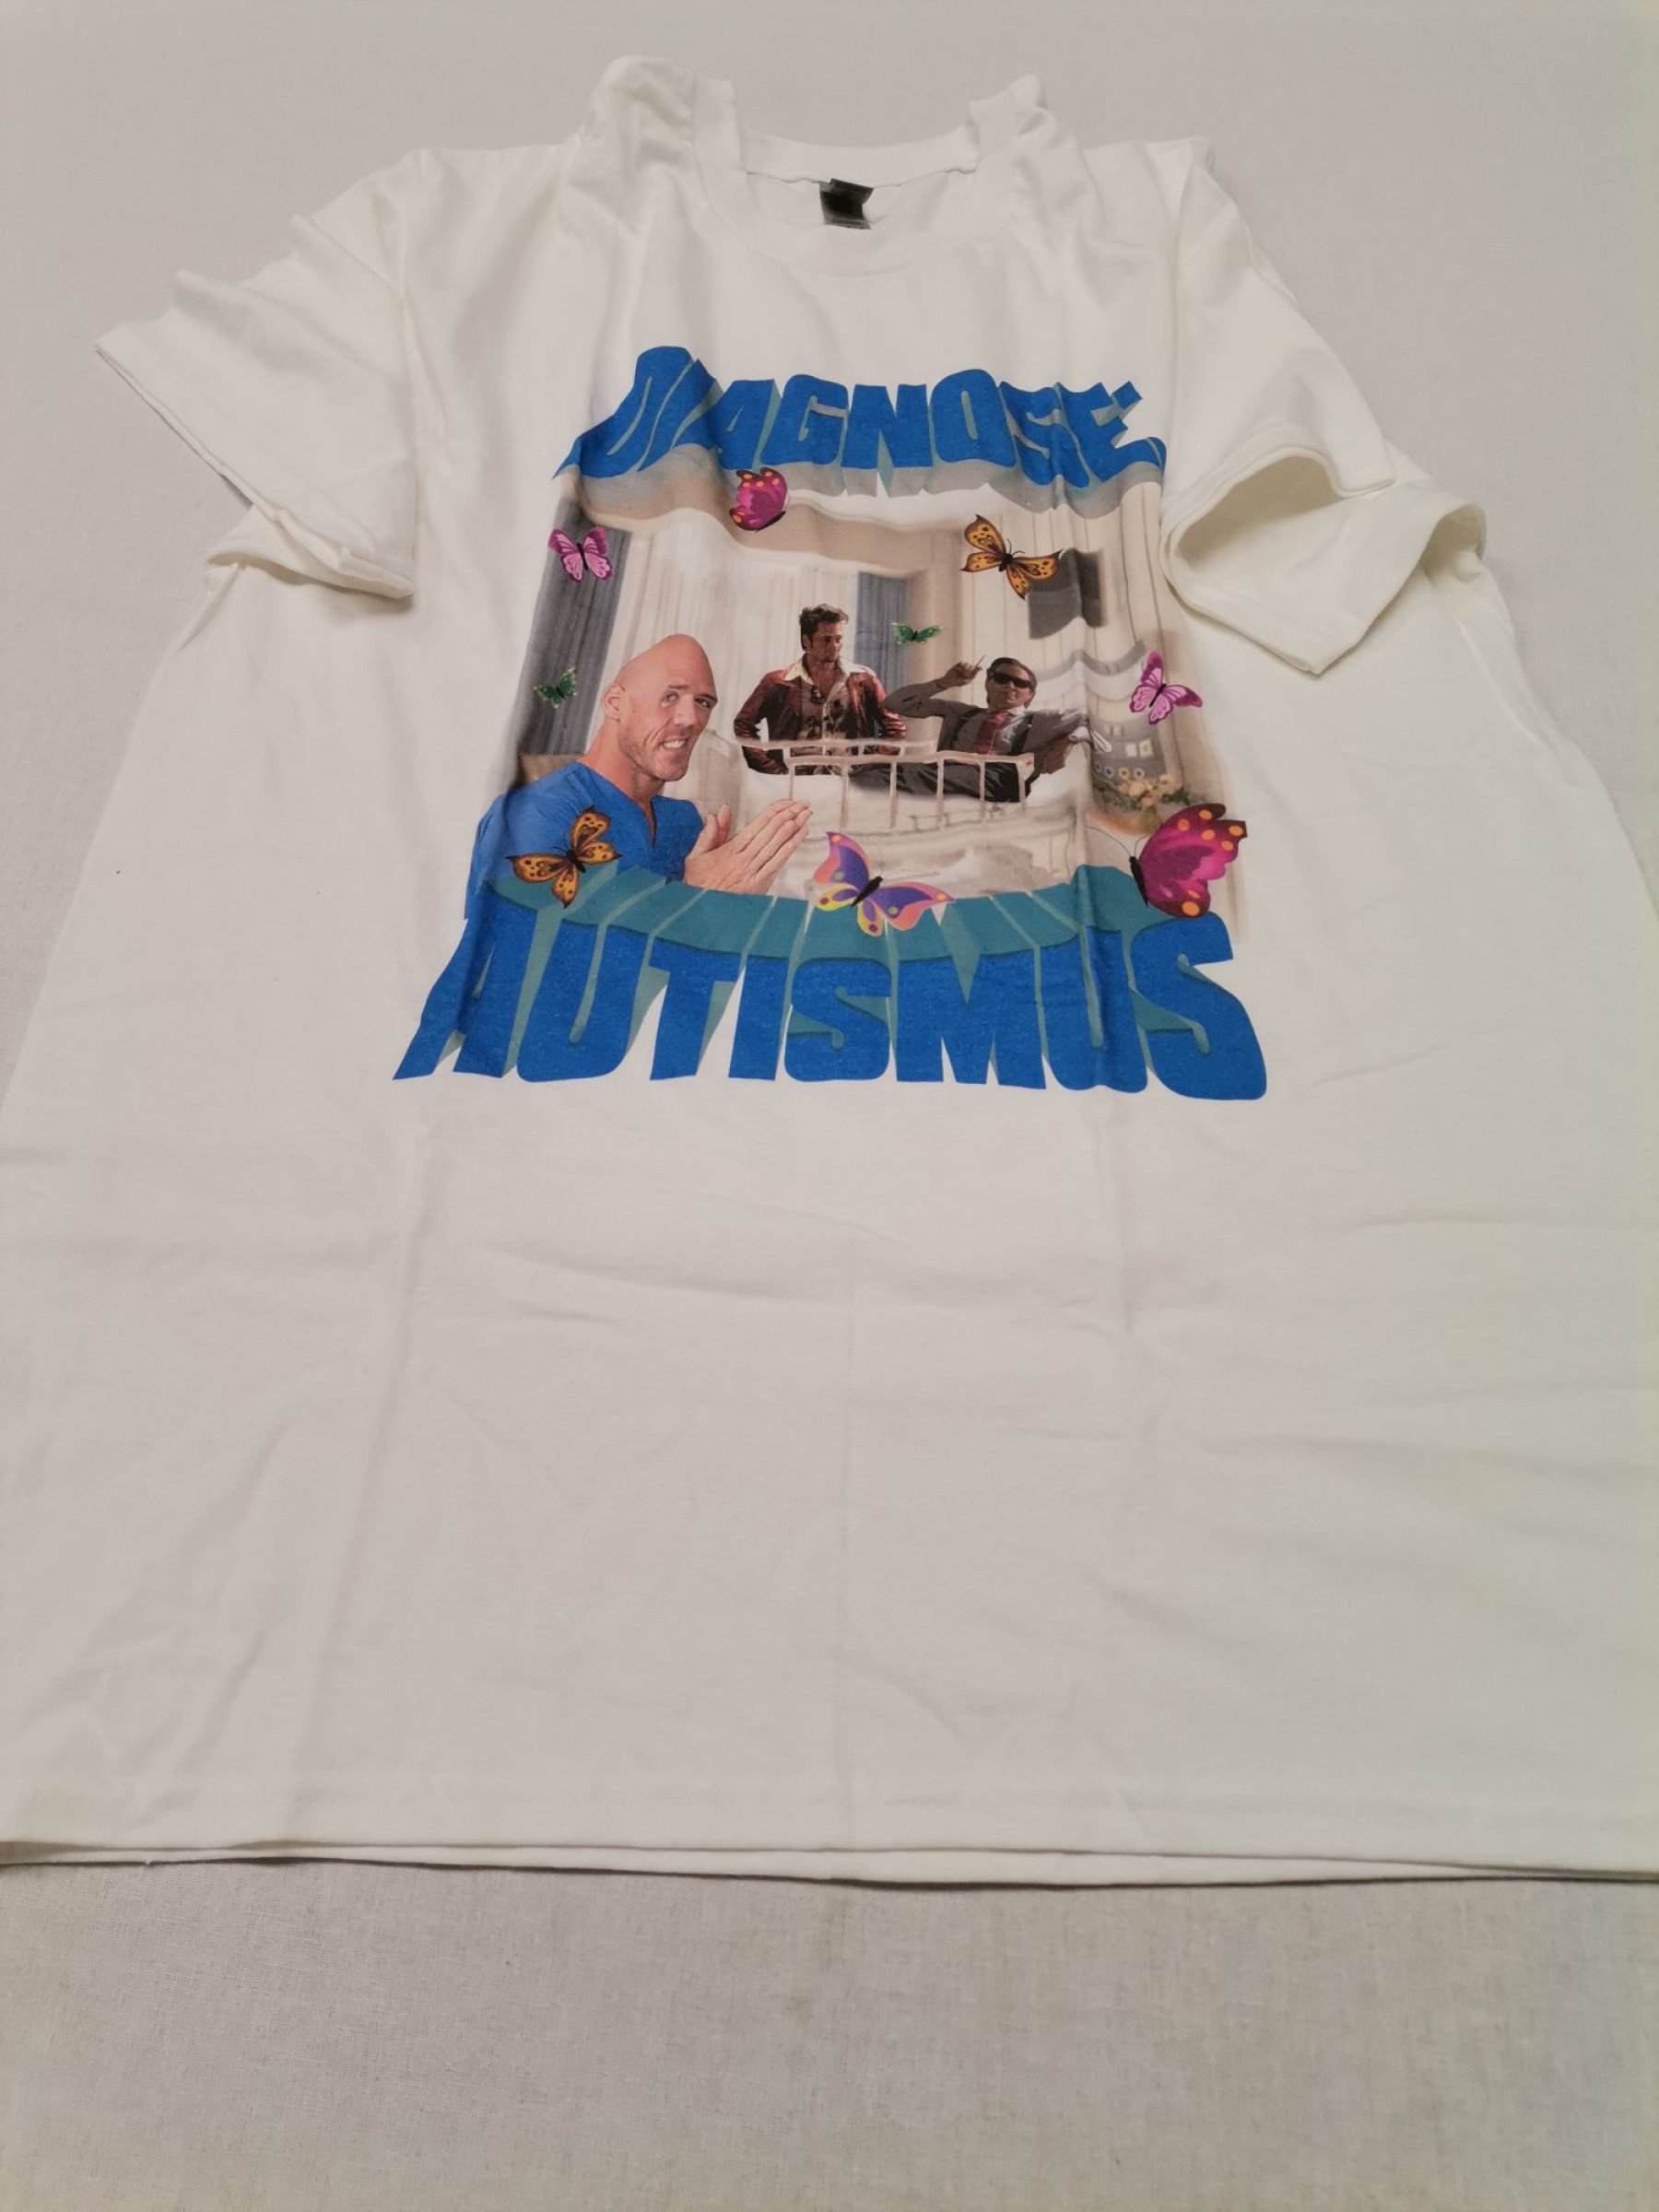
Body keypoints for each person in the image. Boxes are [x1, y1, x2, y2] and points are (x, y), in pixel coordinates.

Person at [465, 632, 810, 912]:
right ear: (614, 703)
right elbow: (524, 965)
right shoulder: (535, 815)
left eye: (703, 703)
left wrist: (734, 909)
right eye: (670, 696)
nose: (691, 719)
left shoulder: (687, 823)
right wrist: (690, 899)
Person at [878, 655, 1086, 802]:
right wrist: (944, 682)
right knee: (881, 771)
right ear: (988, 682)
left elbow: (1091, 719)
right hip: (946, 772)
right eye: (1002, 679)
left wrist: (1070, 741)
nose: (1010, 686)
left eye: (1020, 683)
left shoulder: (1040, 720)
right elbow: (894, 703)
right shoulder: (963, 712)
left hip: (998, 782)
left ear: (1030, 694)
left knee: (904, 775)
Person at [734, 604, 906, 774]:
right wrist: (771, 769)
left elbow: (894, 728)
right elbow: (743, 725)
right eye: (826, 640)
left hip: (848, 780)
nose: (835, 646)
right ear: (806, 642)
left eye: (839, 639)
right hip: (795, 780)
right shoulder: (778, 682)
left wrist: (870, 765)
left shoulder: (863, 679)